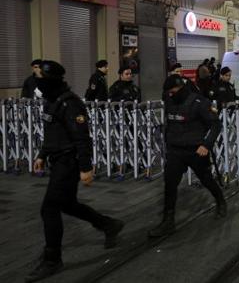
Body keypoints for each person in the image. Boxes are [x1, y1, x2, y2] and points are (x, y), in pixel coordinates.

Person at [26, 61, 124, 282]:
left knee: (49, 209)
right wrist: (42, 155)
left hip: (68, 163)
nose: (37, 79)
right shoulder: (51, 101)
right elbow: (52, 134)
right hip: (56, 159)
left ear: (51, 80)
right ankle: (109, 225)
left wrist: (85, 167)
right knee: (67, 204)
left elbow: (82, 138)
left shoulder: (70, 104)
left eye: (41, 76)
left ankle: (53, 260)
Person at [148, 75, 227, 238]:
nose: (170, 95)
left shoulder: (199, 103)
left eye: (173, 91)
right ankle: (168, 222)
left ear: (181, 89)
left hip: (195, 150)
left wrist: (206, 145)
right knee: (170, 185)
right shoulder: (169, 101)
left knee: (206, 179)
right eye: (168, 92)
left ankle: (220, 200)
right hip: (176, 151)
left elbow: (216, 124)